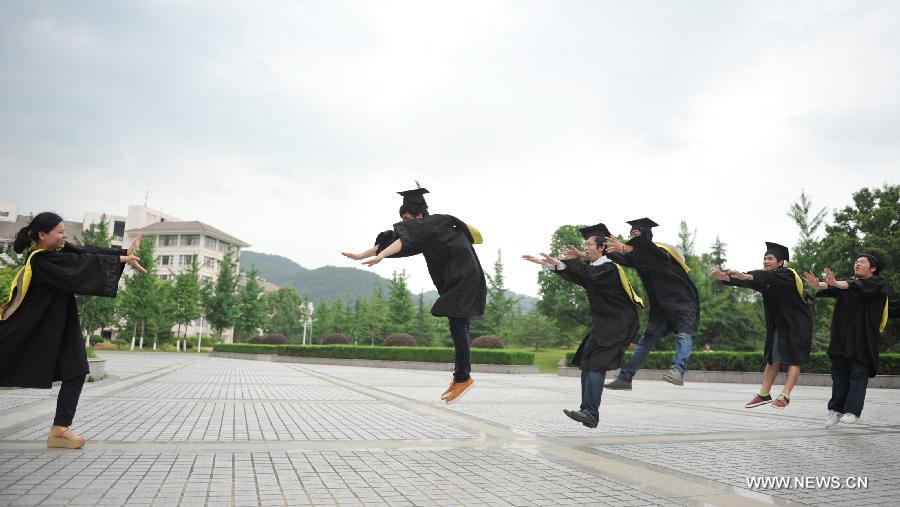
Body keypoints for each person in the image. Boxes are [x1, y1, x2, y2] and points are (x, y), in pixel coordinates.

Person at [0, 212, 145, 448]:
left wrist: (123, 254)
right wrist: (121, 260)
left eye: (64, 230)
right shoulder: (42, 261)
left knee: (77, 370)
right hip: (32, 328)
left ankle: (59, 430)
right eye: (59, 231)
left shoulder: (58, 251)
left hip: (60, 325)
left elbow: (85, 253)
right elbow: (79, 265)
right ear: (42, 235)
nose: (64, 235)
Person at [342, 187, 486, 404]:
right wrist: (362, 254)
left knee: (458, 327)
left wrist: (380, 256)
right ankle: (461, 377)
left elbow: (404, 239)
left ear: (420, 215)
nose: (405, 222)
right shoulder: (426, 231)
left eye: (408, 217)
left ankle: (463, 378)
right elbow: (395, 240)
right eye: (403, 218)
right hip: (458, 282)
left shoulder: (435, 222)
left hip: (465, 280)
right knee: (459, 326)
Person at [523, 223, 643, 428]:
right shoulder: (596, 268)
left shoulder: (609, 269)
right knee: (587, 361)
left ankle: (590, 413)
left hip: (618, 324)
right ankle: (587, 411)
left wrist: (568, 262)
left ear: (602, 247)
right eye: (585, 244)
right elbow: (582, 276)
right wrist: (554, 264)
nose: (585, 247)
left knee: (597, 363)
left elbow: (587, 275)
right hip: (604, 324)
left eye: (589, 244)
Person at [712, 242, 813, 410]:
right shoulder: (767, 279)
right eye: (765, 258)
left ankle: (785, 395)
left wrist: (746, 276)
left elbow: (760, 277)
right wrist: (726, 278)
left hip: (797, 325)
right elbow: (753, 281)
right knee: (772, 357)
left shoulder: (787, 274)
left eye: (770, 258)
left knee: (794, 359)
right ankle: (764, 394)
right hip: (779, 326)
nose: (766, 261)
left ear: (780, 262)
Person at [604, 218, 700, 388]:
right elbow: (622, 258)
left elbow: (653, 253)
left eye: (636, 234)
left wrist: (626, 248)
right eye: (631, 234)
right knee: (647, 338)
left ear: (646, 236)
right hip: (661, 307)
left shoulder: (663, 252)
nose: (632, 236)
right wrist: (600, 247)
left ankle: (678, 371)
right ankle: (625, 378)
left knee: (684, 334)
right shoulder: (639, 258)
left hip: (683, 301)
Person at [803, 254, 889, 427]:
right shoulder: (847, 281)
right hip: (842, 338)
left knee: (858, 374)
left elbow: (849, 285)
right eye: (856, 261)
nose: (857, 263)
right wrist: (818, 284)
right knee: (839, 376)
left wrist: (835, 283)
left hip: (862, 339)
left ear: (872, 268)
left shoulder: (877, 284)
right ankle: (835, 410)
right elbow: (832, 285)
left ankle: (852, 411)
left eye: (862, 261)